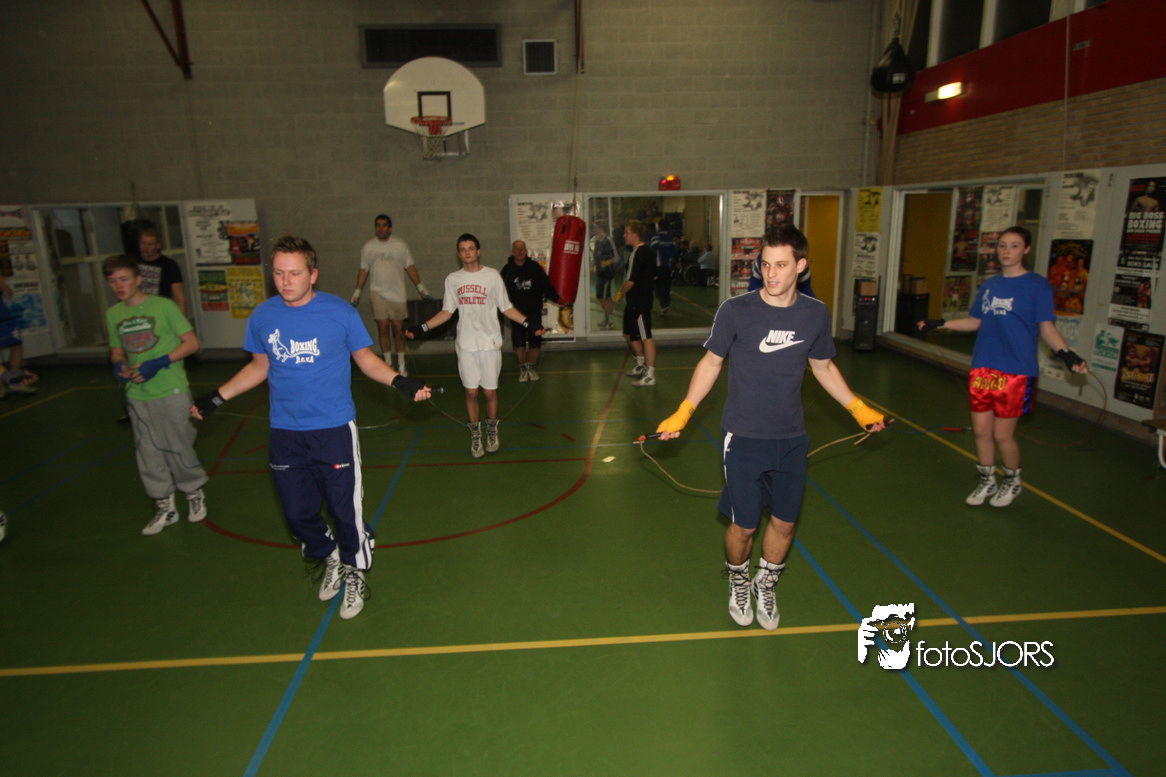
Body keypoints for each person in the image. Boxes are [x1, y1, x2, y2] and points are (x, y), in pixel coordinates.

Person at [655, 223, 886, 631]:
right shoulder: (736, 311)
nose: (771, 273)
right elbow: (711, 362)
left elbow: (823, 367)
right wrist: (684, 411)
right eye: (765, 264)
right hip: (743, 437)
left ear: (801, 265)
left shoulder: (815, 314)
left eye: (781, 265)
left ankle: (766, 582)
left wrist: (857, 408)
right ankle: (738, 579)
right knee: (744, 526)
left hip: (792, 438)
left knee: (784, 523)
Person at [190, 235, 432, 620]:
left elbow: (366, 360)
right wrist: (216, 397)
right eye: (278, 273)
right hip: (285, 432)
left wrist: (400, 381)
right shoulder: (263, 317)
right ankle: (329, 554)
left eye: (295, 273)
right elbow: (259, 367)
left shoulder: (340, 313)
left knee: (344, 511)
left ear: (313, 274)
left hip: (333, 430)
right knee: (297, 514)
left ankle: (354, 570)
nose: (285, 282)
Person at [919, 226, 1088, 507]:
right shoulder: (990, 286)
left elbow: (1047, 329)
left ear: (1026, 250)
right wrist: (941, 323)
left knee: (1002, 434)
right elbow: (975, 322)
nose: (1007, 251)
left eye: (1014, 245)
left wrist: (1067, 355)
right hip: (983, 366)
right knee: (981, 432)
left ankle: (1012, 480)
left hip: (1016, 370)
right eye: (1002, 245)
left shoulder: (1037, 286)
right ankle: (987, 481)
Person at [406, 233, 546, 457]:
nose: (467, 252)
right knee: (471, 393)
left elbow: (506, 307)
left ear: (478, 251)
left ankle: (492, 431)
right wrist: (421, 327)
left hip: (489, 343)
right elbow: (447, 312)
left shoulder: (492, 276)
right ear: (459, 253)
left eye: (471, 248)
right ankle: (476, 436)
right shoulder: (453, 279)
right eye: (463, 249)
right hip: (466, 345)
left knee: (489, 393)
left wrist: (530, 323)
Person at [103, 254, 208, 535]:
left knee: (178, 445)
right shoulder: (113, 314)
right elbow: (117, 351)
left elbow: (192, 343)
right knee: (147, 452)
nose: (118, 286)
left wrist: (159, 362)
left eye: (124, 279)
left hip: (170, 389)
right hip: (138, 395)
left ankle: (193, 491)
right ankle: (164, 504)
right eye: (112, 281)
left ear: (139, 279)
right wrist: (119, 365)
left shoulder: (164, 307)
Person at [350, 214, 430, 376]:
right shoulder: (368, 247)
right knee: (383, 327)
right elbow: (364, 270)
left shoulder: (400, 246)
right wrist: (357, 292)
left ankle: (401, 365)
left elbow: (410, 267)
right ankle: (387, 364)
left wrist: (421, 288)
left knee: (398, 330)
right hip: (377, 293)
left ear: (390, 228)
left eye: (384, 225)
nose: (381, 228)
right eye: (378, 225)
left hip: (397, 295)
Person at [501, 240, 564, 382]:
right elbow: (500, 291)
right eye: (517, 249)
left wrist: (557, 299)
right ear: (512, 252)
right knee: (519, 343)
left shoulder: (535, 268)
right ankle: (523, 369)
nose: (520, 251)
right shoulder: (507, 270)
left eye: (522, 248)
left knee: (535, 342)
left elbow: (546, 286)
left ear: (526, 251)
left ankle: (532, 368)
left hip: (534, 312)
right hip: (517, 314)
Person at [618, 220, 658, 386]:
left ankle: (650, 374)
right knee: (629, 333)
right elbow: (654, 274)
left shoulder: (639, 252)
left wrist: (621, 291)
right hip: (634, 301)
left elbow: (630, 282)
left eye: (627, 233)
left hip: (640, 302)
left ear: (635, 235)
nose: (624, 236)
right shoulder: (646, 251)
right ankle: (640, 364)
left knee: (645, 336)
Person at [0, 274, 38, 397]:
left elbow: (8, 293)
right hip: (3, 316)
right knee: (16, 345)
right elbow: (8, 292)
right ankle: (9, 380)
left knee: (16, 345)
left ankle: (13, 380)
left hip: (3, 316)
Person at [136, 227, 187, 316]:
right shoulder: (132, 263)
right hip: (138, 310)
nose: (145, 248)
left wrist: (182, 319)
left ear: (158, 245)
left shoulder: (169, 265)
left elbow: (179, 297)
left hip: (161, 311)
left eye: (150, 244)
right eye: (143, 243)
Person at [591, 220, 618, 329]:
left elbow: (617, 257)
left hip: (607, 273)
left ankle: (610, 320)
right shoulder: (598, 241)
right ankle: (607, 319)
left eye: (595, 227)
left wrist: (607, 262)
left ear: (600, 228)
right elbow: (595, 255)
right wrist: (593, 264)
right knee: (607, 297)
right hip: (600, 272)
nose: (593, 229)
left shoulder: (609, 241)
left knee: (601, 297)